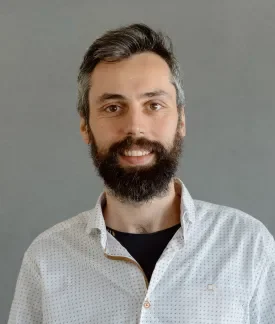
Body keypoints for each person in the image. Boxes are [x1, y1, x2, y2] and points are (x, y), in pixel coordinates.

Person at [8, 23, 275, 324]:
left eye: (154, 105)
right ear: (85, 126)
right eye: (112, 107)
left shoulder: (247, 244)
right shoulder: (47, 257)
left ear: (181, 120)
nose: (135, 127)